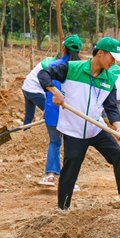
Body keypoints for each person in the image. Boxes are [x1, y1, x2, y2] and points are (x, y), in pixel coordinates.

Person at [38, 37, 120, 209]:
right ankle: (63, 209)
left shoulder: (109, 79)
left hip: (96, 128)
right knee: (70, 171)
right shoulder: (72, 69)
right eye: (112, 57)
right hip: (74, 131)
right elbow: (43, 74)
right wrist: (55, 91)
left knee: (118, 155)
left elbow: (111, 109)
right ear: (100, 53)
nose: (114, 61)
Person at [38, 35, 83, 188]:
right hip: (74, 113)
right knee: (72, 146)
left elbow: (45, 86)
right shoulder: (81, 69)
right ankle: (72, 181)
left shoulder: (53, 66)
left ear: (63, 49)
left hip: (53, 111)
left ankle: (51, 176)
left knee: (55, 143)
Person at [22, 54, 59, 125]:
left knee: (29, 116)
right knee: (50, 111)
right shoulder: (52, 66)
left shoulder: (49, 59)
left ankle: (25, 132)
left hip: (26, 87)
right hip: (34, 90)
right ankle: (46, 131)